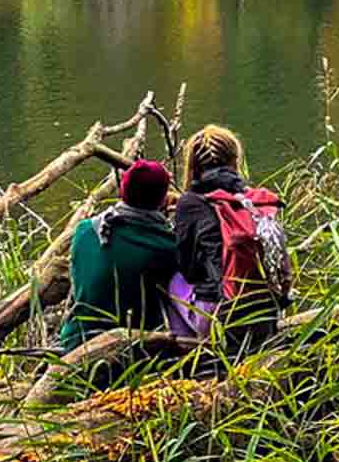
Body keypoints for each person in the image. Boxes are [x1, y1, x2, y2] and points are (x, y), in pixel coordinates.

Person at [169, 125, 288, 349]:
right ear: (235, 161)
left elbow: (189, 269)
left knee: (174, 280)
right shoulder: (255, 201)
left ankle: (192, 350)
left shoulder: (190, 203)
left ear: (193, 165)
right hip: (267, 313)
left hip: (220, 320)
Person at [57, 159, 179, 351]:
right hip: (128, 351)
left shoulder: (85, 229)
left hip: (74, 341)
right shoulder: (166, 247)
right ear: (162, 198)